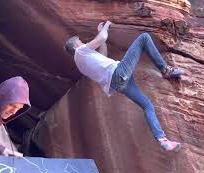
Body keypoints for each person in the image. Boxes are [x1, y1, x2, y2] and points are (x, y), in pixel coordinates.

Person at [64, 21, 183, 152]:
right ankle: (165, 70)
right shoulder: (80, 52)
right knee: (144, 38)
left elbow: (103, 56)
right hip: (119, 73)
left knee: (147, 106)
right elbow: (102, 38)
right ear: (76, 46)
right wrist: (105, 27)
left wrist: (101, 33)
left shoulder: (81, 64)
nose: (82, 43)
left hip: (118, 84)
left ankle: (163, 140)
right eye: (80, 42)